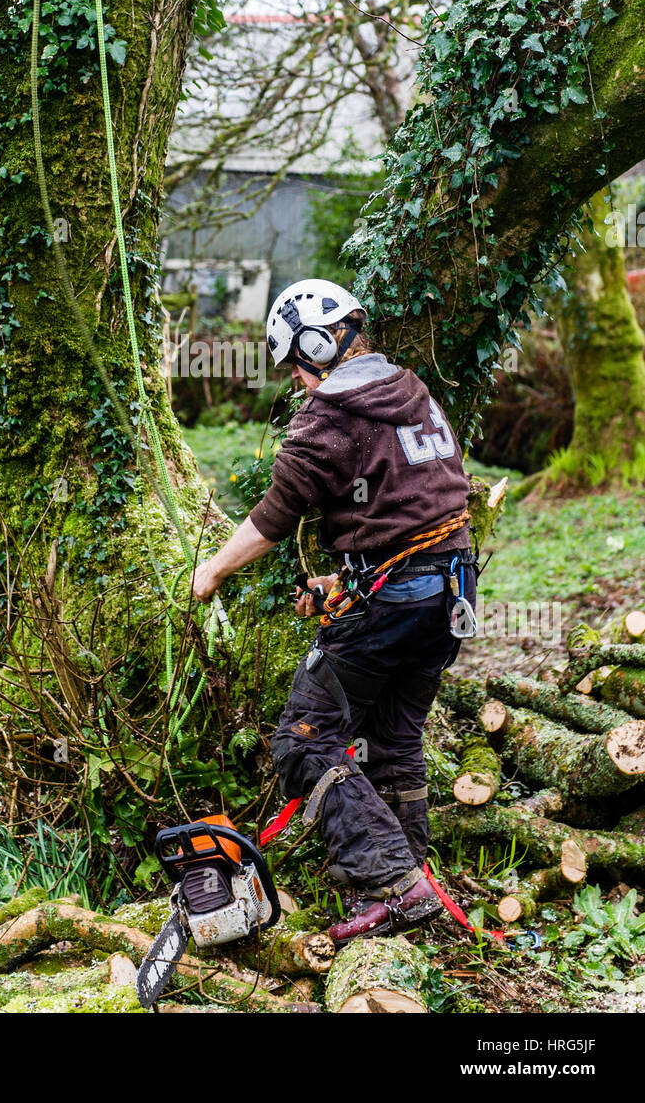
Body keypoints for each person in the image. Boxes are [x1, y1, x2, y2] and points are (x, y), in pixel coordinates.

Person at [191, 278, 477, 942]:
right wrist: (347, 576)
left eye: (295, 362)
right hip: (448, 594)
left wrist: (210, 571)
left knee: (302, 739)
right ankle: (414, 881)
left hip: (398, 596)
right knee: (393, 739)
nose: (294, 379)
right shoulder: (408, 390)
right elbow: (409, 502)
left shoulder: (329, 414)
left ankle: (391, 885)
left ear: (321, 345)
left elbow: (271, 519)